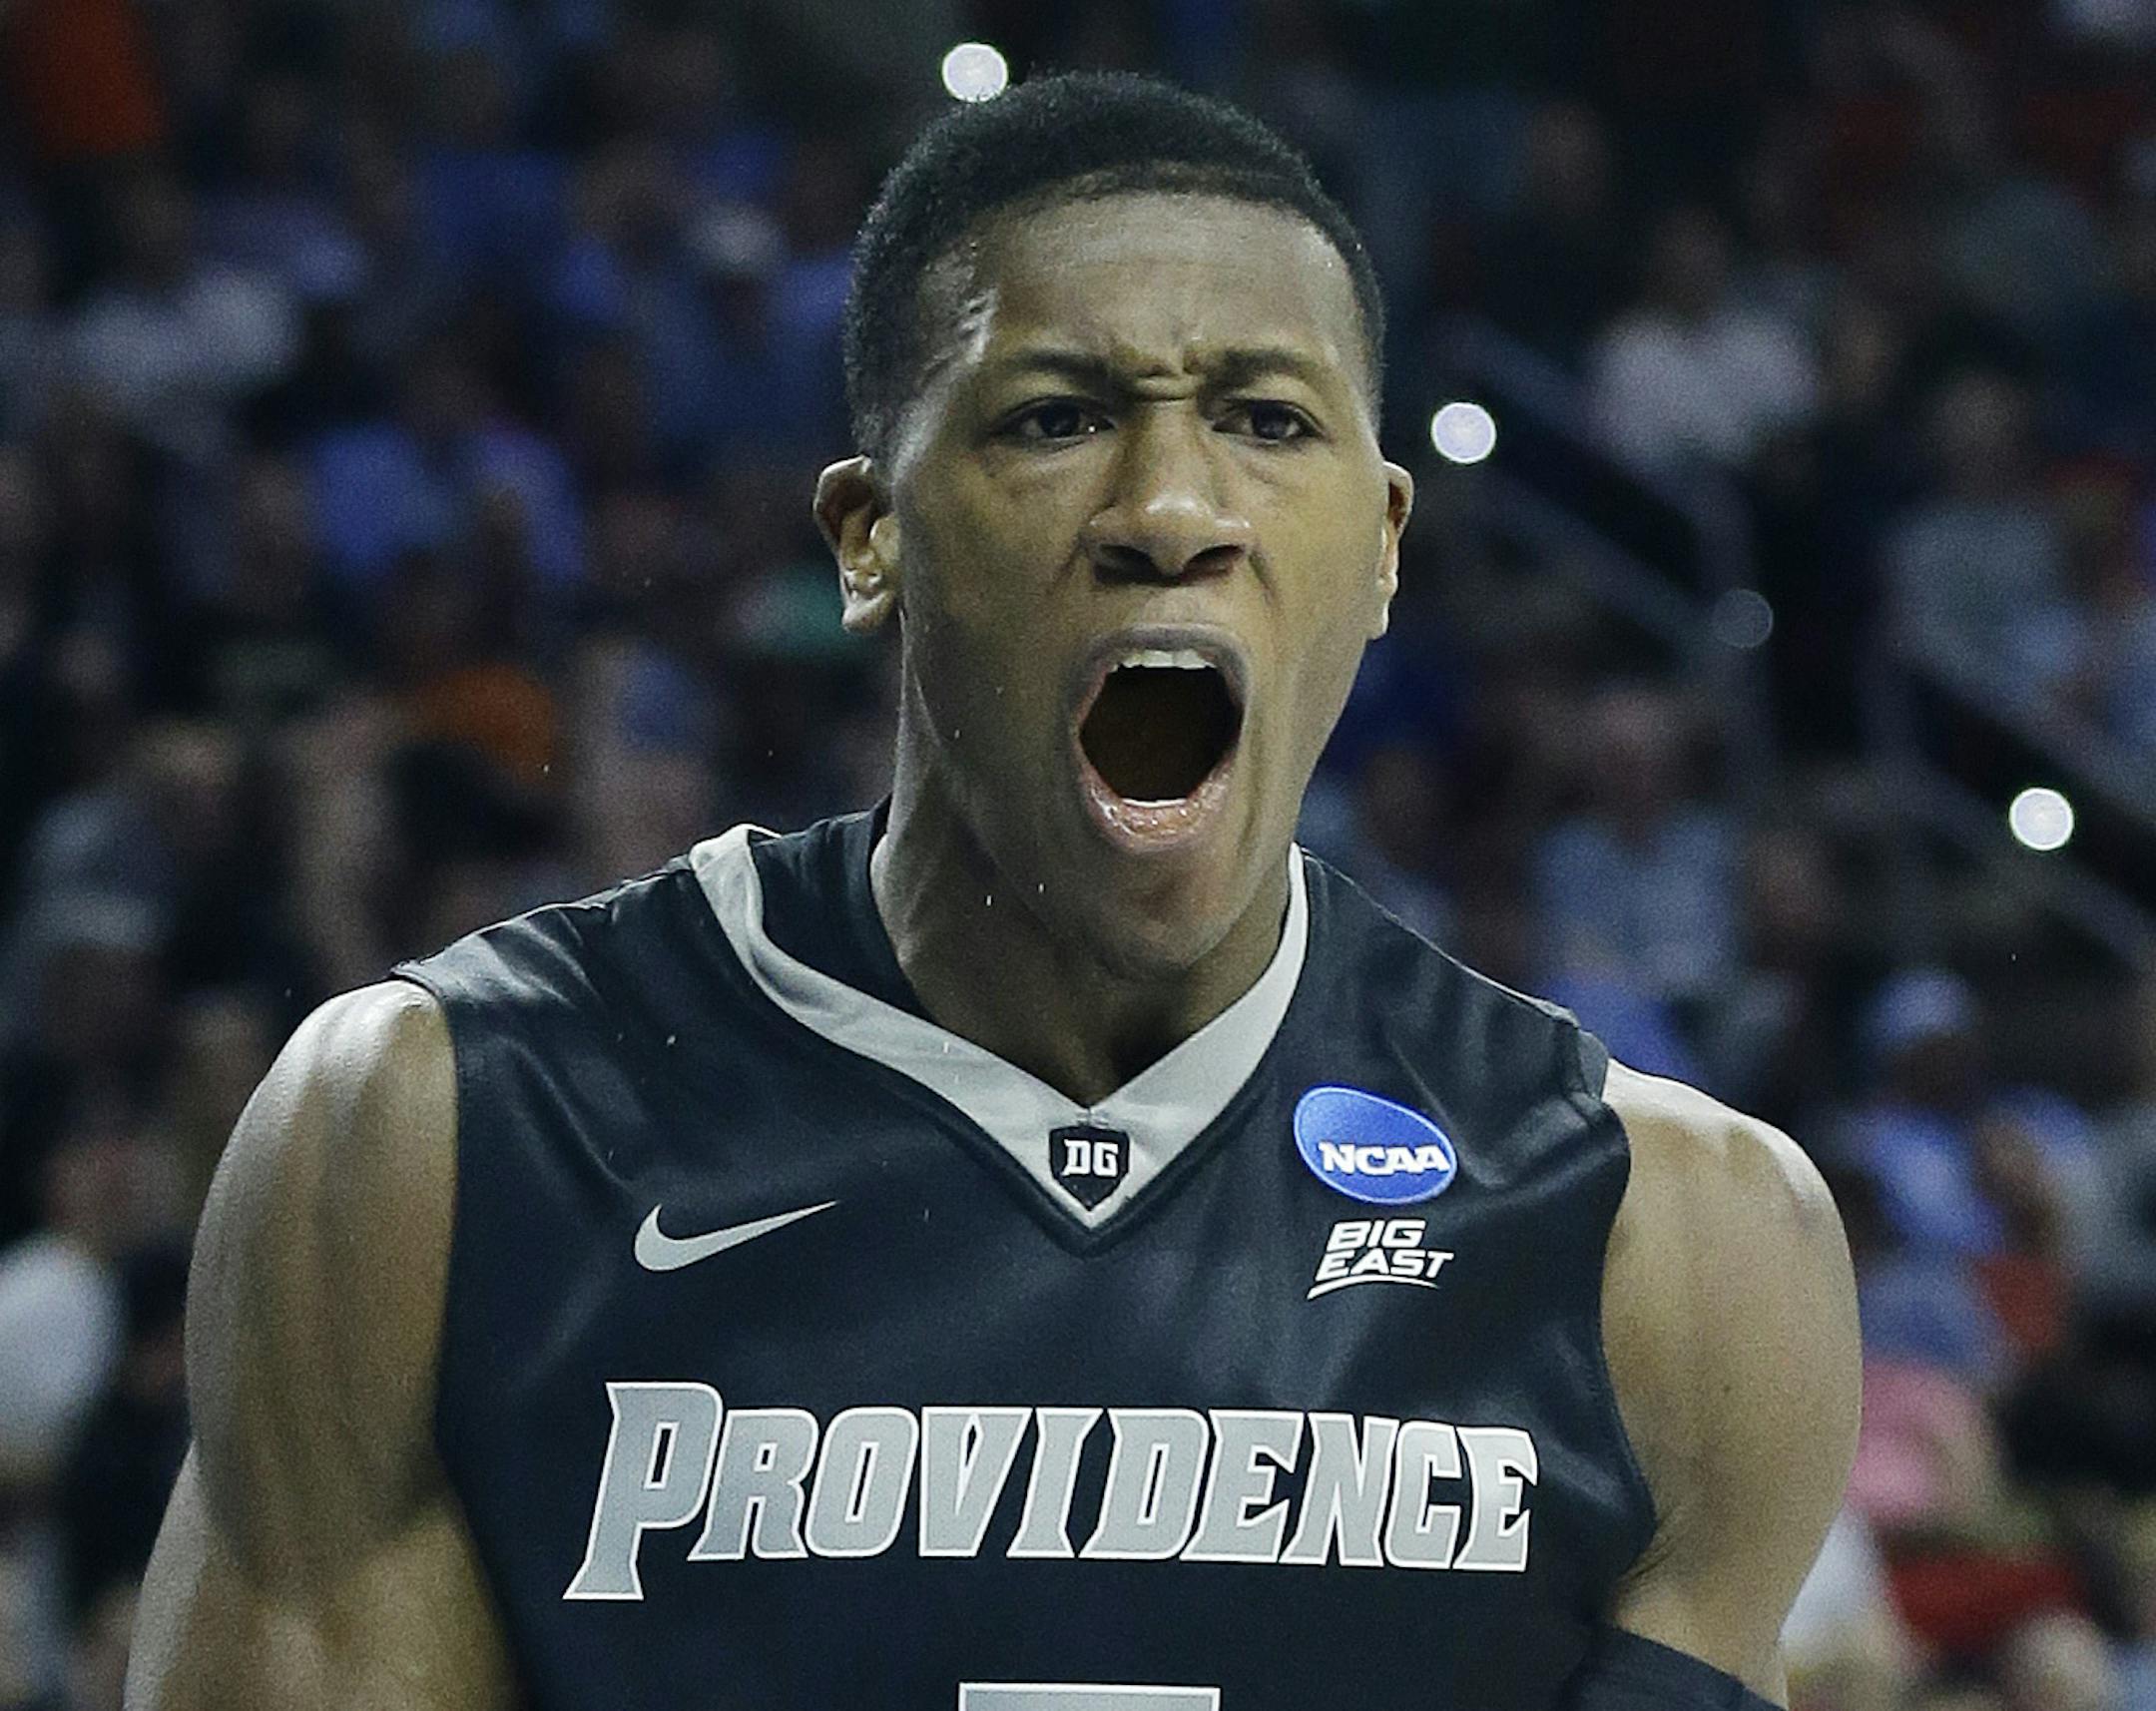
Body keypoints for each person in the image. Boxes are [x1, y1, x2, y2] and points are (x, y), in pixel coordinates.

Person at [128, 73, 1859, 1710]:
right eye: (1056, 417)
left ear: (1387, 540)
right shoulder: (446, 1140)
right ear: (869, 536)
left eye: (1265, 419)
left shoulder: (1668, 1244)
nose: (1173, 506)